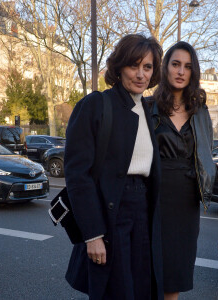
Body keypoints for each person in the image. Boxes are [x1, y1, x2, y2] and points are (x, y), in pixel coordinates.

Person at [64, 34, 164, 300]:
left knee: (142, 289)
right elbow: (77, 174)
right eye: (134, 65)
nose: (141, 74)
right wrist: (93, 234)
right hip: (111, 211)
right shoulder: (96, 105)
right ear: (119, 67)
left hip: (142, 209)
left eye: (148, 67)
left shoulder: (148, 108)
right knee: (115, 292)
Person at [150, 41, 218, 300]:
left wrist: (211, 175)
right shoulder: (149, 107)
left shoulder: (200, 111)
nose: (181, 71)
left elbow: (205, 153)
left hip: (186, 199)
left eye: (187, 67)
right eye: (176, 64)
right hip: (152, 196)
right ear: (165, 67)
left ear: (193, 72)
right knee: (147, 267)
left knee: (175, 273)